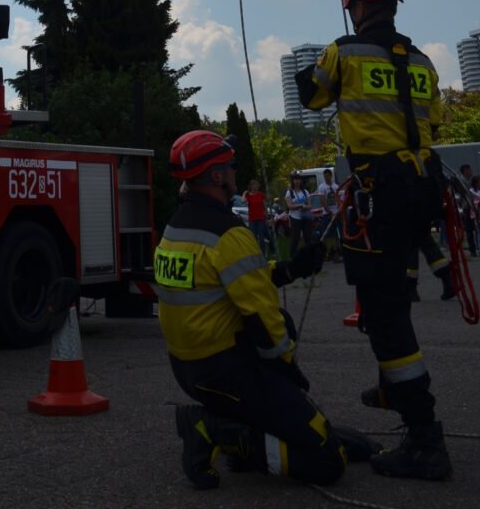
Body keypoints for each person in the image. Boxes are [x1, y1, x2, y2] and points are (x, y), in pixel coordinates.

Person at [297, 0, 453, 480]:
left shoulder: (343, 52)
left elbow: (312, 96)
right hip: (421, 190)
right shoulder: (423, 62)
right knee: (391, 298)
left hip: (379, 195)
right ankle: (393, 388)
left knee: (384, 316)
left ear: (358, 7)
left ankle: (424, 439)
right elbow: (434, 121)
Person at [155, 130, 377, 488]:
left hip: (189, 369)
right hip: (227, 372)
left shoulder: (176, 227)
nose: (235, 171)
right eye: (230, 165)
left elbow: (235, 279)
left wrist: (292, 268)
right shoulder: (228, 233)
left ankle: (236, 430)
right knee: (327, 461)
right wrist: (286, 370)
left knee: (312, 430)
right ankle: (218, 431)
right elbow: (262, 317)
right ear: (217, 175)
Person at [284, 172, 314, 254]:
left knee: (308, 237)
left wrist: (305, 207)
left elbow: (310, 205)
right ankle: (292, 255)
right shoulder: (289, 192)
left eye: (298, 180)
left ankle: (310, 254)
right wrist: (299, 206)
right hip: (295, 218)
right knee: (295, 238)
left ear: (301, 181)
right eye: (295, 180)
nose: (297, 181)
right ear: (293, 181)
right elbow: (289, 206)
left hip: (305, 217)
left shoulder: (305, 192)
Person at [245, 177, 271, 256]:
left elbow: (265, 206)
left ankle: (263, 253)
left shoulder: (261, 194)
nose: (256, 186)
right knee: (253, 237)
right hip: (252, 219)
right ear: (251, 186)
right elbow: (243, 201)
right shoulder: (248, 195)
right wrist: (244, 193)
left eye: (257, 185)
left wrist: (267, 217)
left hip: (260, 218)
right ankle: (255, 253)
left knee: (261, 236)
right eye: (254, 185)